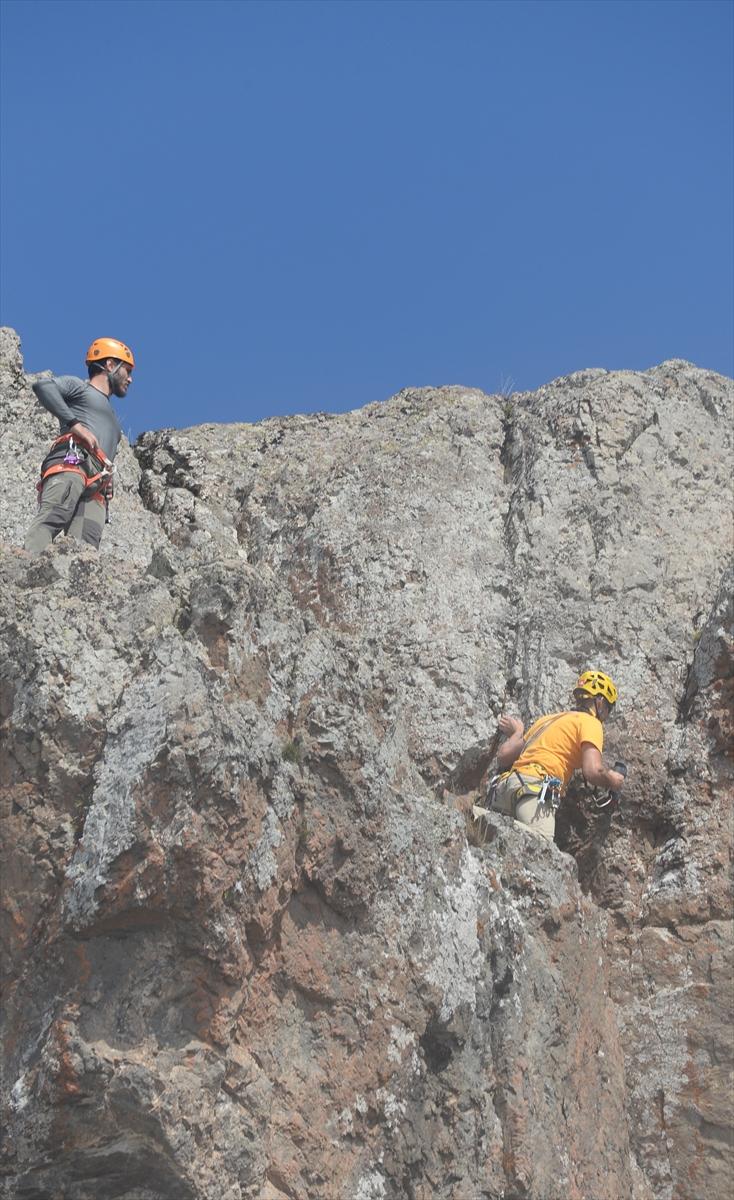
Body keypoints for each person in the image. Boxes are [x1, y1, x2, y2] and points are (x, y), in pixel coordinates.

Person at [484, 671, 626, 842]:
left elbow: (504, 757)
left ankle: (476, 816)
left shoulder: (547, 720)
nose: (606, 715)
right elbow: (592, 771)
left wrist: (518, 732)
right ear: (600, 701)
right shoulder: (591, 723)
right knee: (541, 845)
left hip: (506, 787)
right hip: (536, 789)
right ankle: (477, 817)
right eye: (608, 709)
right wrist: (613, 780)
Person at [24, 337, 135, 553]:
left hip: (98, 485)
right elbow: (43, 386)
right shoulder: (81, 389)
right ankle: (22, 570)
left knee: (85, 547)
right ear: (110, 365)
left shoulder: (112, 416)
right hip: (73, 463)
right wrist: (74, 424)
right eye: (127, 371)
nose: (130, 379)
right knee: (53, 517)